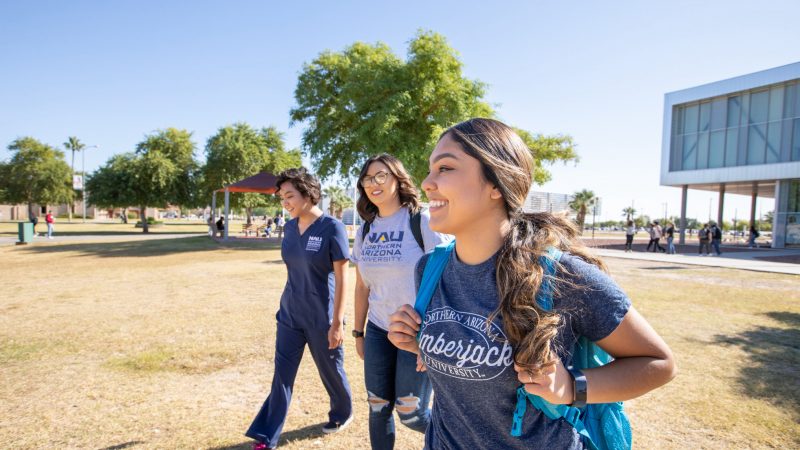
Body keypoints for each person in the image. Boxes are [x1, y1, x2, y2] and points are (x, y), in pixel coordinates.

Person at [387, 118, 676, 449]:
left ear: (496, 183)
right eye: (430, 169)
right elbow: (462, 362)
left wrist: (571, 387)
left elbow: (659, 363)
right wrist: (418, 340)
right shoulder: (429, 269)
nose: (427, 182)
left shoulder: (563, 276)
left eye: (445, 168)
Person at [246, 167, 353, 450]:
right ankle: (266, 436)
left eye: (290, 196)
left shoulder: (333, 227)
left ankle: (343, 412)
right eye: (282, 197)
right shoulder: (290, 227)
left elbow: (343, 277)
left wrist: (337, 322)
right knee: (282, 375)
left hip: (322, 317)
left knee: (331, 371)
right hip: (290, 314)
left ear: (309, 194)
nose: (285, 202)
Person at [351, 154, 451, 449]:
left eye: (381, 176)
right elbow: (361, 287)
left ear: (398, 179)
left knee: (412, 414)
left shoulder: (423, 221)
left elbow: (447, 279)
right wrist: (359, 333)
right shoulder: (365, 230)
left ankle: (462, 439)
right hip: (379, 330)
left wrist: (433, 338)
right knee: (378, 405)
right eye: (368, 179)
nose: (373, 184)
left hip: (417, 332)